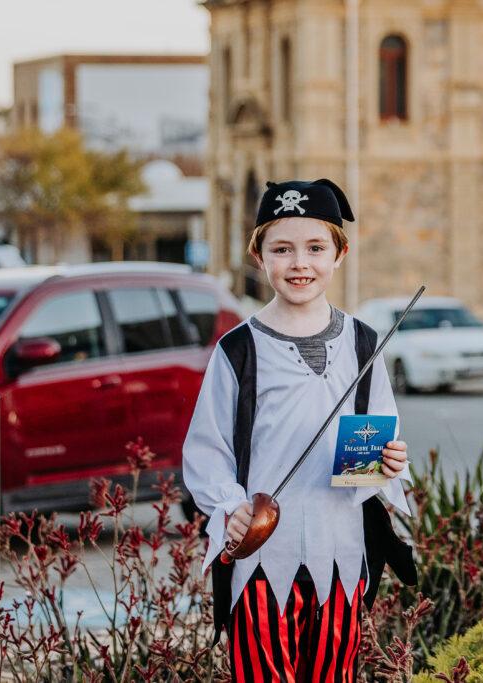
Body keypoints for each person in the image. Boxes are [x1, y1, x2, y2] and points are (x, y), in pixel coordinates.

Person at [182, 178, 415, 682]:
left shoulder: (363, 343)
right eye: (282, 249)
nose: (299, 263)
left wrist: (389, 463)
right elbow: (207, 452)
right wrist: (231, 507)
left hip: (341, 549)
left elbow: (374, 448)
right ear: (258, 256)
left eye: (315, 248)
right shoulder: (238, 350)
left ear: (339, 254)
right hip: (263, 557)